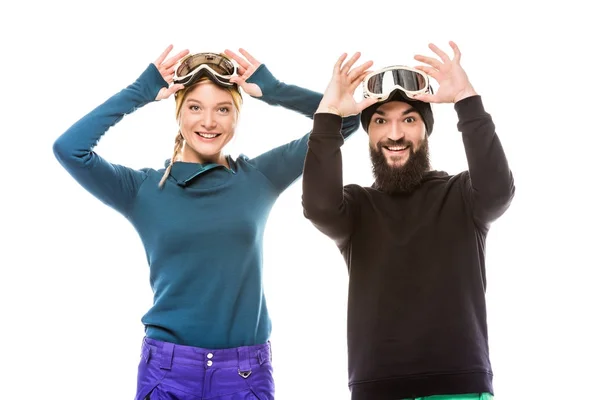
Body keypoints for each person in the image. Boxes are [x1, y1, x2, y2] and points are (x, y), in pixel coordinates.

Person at [52, 45, 360, 400]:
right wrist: (139, 92)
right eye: (195, 107)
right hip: (167, 370)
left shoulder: (260, 177)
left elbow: (344, 120)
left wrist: (274, 90)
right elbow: (69, 149)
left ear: (236, 116)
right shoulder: (142, 190)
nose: (209, 122)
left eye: (223, 109)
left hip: (245, 371)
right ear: (179, 113)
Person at [301, 42, 515, 399]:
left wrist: (465, 97)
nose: (395, 134)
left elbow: (498, 191)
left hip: (459, 386)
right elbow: (319, 207)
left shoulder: (462, 195)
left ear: (426, 129)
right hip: (378, 388)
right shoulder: (357, 207)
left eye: (409, 119)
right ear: (368, 133)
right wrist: (329, 116)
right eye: (381, 120)